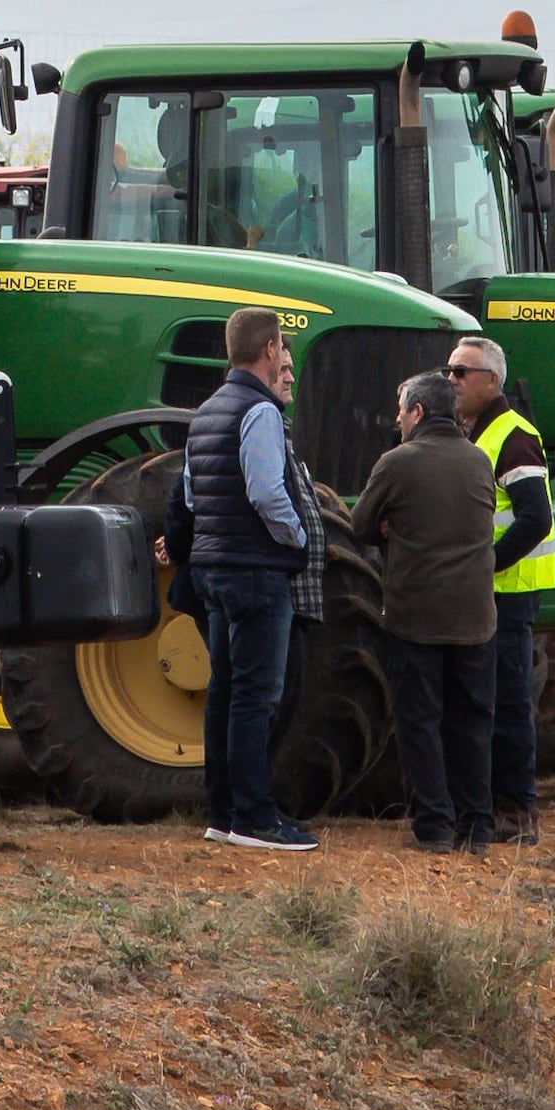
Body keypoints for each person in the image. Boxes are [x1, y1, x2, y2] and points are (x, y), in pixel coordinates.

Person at [178, 304, 319, 853]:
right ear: (268, 351)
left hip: (213, 569)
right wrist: (298, 538)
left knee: (225, 695)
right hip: (257, 571)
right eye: (282, 348)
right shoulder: (259, 412)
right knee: (257, 699)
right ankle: (256, 818)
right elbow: (265, 490)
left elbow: (191, 495)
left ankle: (222, 811)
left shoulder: (208, 409)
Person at [355, 371, 505, 852]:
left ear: (418, 412)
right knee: (473, 725)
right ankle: (478, 827)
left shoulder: (397, 462)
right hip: (476, 620)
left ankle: (435, 828)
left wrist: (388, 528)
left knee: (421, 722)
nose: (397, 419)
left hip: (415, 616)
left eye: (401, 410)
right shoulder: (480, 461)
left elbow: (359, 526)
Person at [446, 332, 555, 845]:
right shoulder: (473, 433)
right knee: (483, 700)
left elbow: (534, 518)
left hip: (509, 591)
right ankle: (489, 806)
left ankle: (516, 813)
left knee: (509, 702)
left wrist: (484, 564)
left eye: (460, 372)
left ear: (491, 380)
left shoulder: (513, 435)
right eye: (449, 371)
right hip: (490, 589)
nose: (451, 380)